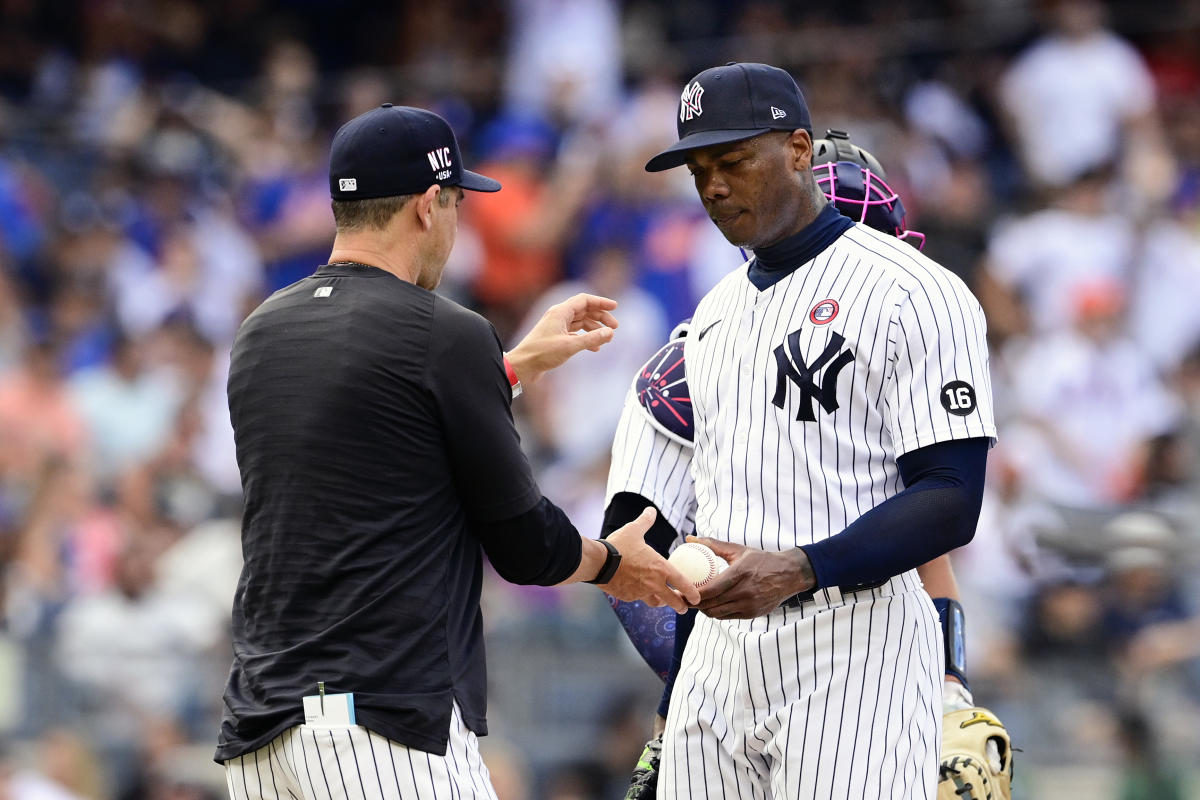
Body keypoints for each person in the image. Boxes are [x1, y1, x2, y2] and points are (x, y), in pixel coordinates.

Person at [214, 104, 700, 800]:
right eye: (455, 205)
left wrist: (513, 365)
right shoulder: (444, 332)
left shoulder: (261, 330)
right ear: (423, 206)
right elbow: (524, 544)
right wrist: (614, 564)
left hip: (263, 732)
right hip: (382, 726)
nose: (455, 225)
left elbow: (375, 427)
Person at [625, 64, 997, 799]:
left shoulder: (915, 290)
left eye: (733, 161)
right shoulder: (714, 316)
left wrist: (799, 568)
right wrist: (671, 716)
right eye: (699, 169)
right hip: (720, 657)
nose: (714, 186)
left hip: (852, 643)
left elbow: (952, 497)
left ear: (800, 150)